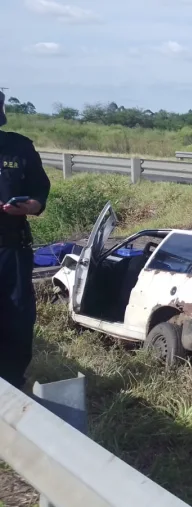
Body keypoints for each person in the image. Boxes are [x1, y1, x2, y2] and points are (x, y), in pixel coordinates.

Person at [0, 90, 51, 390]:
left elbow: (40, 191)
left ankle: (12, 385)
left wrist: (32, 206)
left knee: (17, 319)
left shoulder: (19, 148)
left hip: (12, 250)